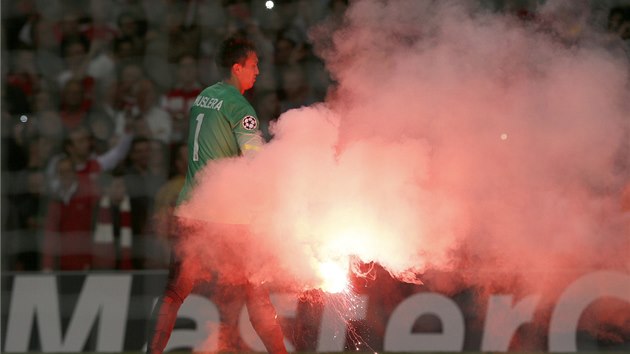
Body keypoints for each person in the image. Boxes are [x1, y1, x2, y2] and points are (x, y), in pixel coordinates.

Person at [145, 36, 287, 354]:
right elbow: (255, 158)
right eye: (253, 65)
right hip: (228, 216)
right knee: (256, 293)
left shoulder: (203, 97)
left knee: (174, 292)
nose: (258, 71)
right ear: (237, 68)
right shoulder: (240, 106)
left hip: (190, 208)